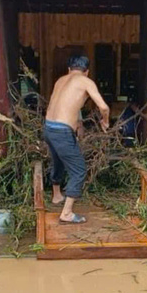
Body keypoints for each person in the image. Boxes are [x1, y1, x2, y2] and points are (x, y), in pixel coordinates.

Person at [44, 54, 110, 225]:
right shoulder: (86, 82)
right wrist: (106, 120)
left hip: (48, 127)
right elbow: (103, 106)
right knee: (79, 170)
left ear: (69, 69)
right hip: (62, 131)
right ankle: (66, 213)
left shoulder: (61, 80)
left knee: (58, 160)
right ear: (87, 71)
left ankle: (57, 195)